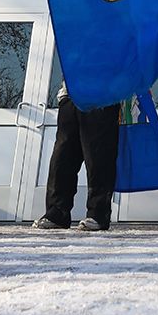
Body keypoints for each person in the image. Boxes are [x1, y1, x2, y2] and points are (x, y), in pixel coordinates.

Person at [33, 82, 120, 231]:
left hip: (102, 96)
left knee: (97, 157)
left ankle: (98, 214)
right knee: (62, 156)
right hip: (70, 95)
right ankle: (57, 213)